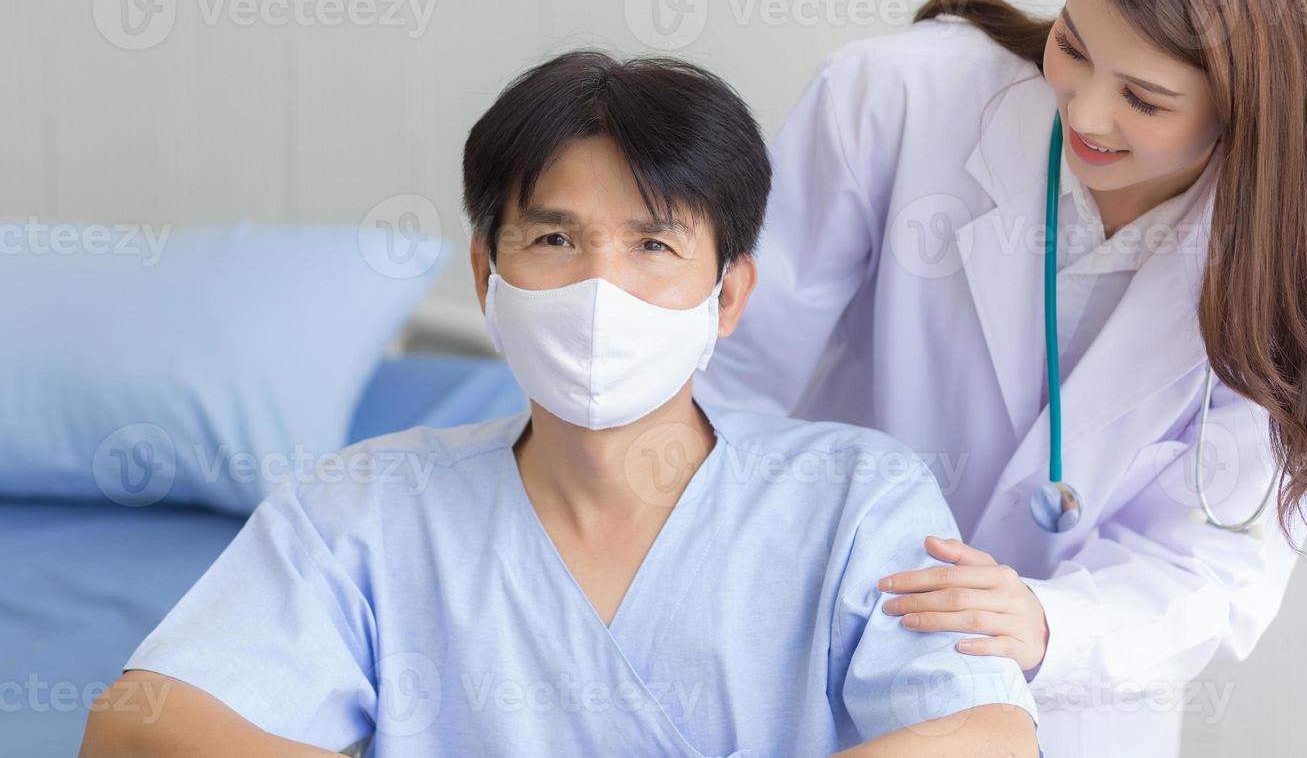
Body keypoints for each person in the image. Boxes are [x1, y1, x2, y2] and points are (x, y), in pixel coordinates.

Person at [82, 50, 1040, 757]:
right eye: (554, 241)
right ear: (486, 274)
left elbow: (985, 732)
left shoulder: (852, 496)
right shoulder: (366, 509)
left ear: (731, 296)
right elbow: (136, 726)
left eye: (654, 246)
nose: (599, 290)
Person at [693, 0, 1307, 758]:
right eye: (1073, 45)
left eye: (1146, 99)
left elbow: (1215, 574)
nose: (1085, 114)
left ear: (1251, 110)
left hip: (1071, 710)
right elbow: (729, 375)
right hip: (814, 651)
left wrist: (1045, 622)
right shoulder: (900, 98)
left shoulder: (1287, 280)